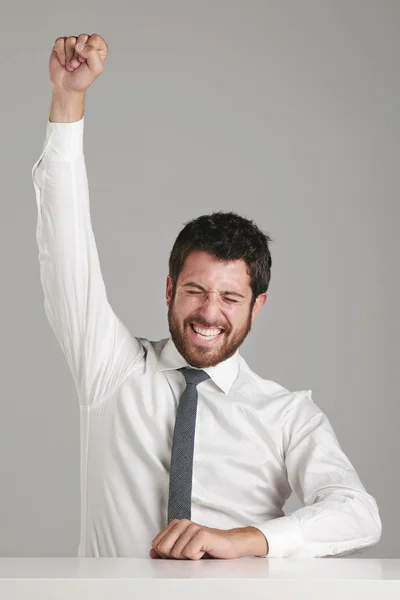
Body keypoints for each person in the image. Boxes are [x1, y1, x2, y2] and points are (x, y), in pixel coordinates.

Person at [32, 33, 382, 560]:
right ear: (170, 289)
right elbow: (65, 250)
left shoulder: (287, 415)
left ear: (257, 306)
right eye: (194, 290)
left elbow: (358, 514)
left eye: (230, 298)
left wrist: (243, 539)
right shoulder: (110, 370)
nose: (208, 313)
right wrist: (67, 101)